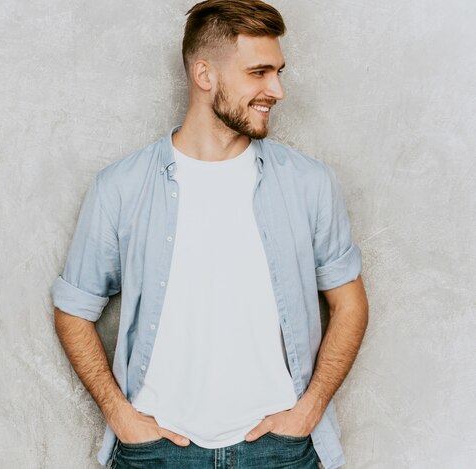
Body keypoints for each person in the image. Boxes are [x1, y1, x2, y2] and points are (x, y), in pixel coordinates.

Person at [51, 1, 369, 468]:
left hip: (279, 450)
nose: (277, 90)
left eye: (279, 72)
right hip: (156, 451)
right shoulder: (120, 187)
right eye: (259, 73)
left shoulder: (309, 183)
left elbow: (350, 303)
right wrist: (121, 417)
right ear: (205, 75)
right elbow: (73, 311)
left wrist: (309, 409)